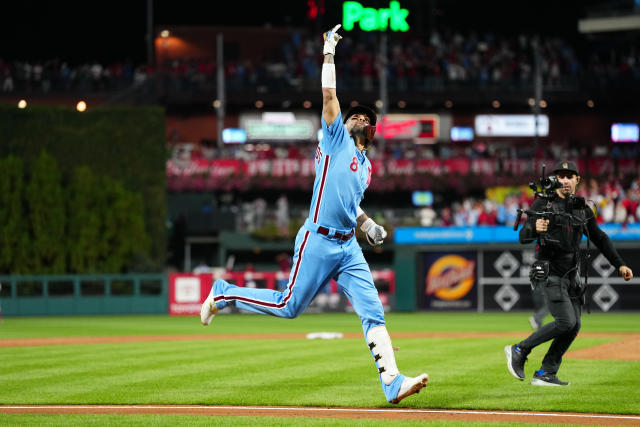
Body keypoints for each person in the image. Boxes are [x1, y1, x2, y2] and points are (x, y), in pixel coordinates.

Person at [200, 24, 428, 404]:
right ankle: (224, 294)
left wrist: (366, 223)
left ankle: (393, 383)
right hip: (318, 239)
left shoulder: (366, 165)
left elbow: (349, 202)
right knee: (289, 307)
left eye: (361, 116)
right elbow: (328, 93)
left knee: (373, 310)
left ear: (369, 130)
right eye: (353, 114)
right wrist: (328, 53)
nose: (354, 116)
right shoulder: (335, 136)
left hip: (348, 247)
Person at [505, 161, 634, 386]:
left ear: (577, 181)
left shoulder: (581, 208)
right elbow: (523, 236)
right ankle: (519, 349)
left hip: (571, 275)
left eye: (569, 176)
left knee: (574, 326)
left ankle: (546, 372)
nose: (565, 180)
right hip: (549, 271)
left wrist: (619, 264)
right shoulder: (543, 203)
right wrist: (535, 228)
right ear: (555, 179)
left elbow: (600, 238)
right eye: (561, 176)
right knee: (565, 321)